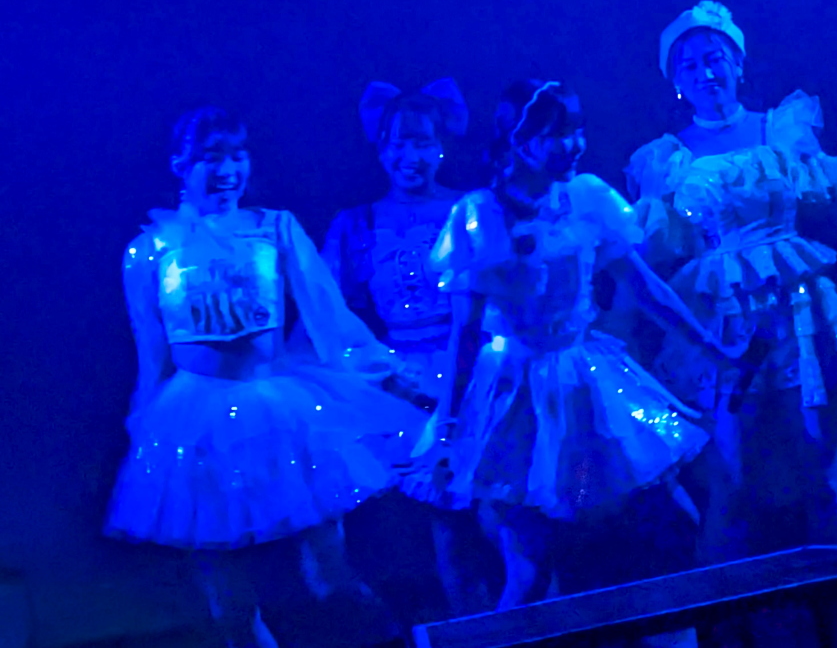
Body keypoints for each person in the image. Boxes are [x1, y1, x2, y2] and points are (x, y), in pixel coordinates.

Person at [404, 80, 736, 622]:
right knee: (533, 564)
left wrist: (713, 348)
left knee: (670, 516)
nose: (575, 144)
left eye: (578, 130)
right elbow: (464, 334)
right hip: (516, 394)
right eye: (559, 133)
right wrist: (449, 428)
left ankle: (672, 630)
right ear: (521, 140)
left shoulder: (586, 197)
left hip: (588, 377)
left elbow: (646, 287)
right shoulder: (481, 214)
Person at [105, 107, 426, 648]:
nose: (228, 169)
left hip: (278, 407)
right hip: (195, 420)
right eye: (212, 156)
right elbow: (152, 355)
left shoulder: (273, 228)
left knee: (330, 574)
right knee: (229, 602)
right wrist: (145, 433)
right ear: (180, 163)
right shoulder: (150, 251)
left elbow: (329, 317)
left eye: (238, 155)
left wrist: (389, 376)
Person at [625, 1, 837, 646]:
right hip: (723, 326)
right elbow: (644, 257)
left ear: (738, 63)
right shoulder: (667, 158)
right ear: (674, 80)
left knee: (822, 473)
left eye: (715, 57)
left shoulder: (782, 129)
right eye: (690, 64)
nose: (706, 72)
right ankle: (726, 629)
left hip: (799, 313)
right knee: (732, 484)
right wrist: (618, 325)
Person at [323, 79, 495, 619]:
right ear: (379, 148)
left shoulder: (471, 209)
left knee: (503, 519)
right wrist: (382, 375)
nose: (410, 157)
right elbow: (330, 315)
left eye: (422, 142)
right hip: (400, 386)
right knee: (434, 528)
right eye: (398, 144)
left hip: (479, 374)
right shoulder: (356, 225)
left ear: (442, 145)